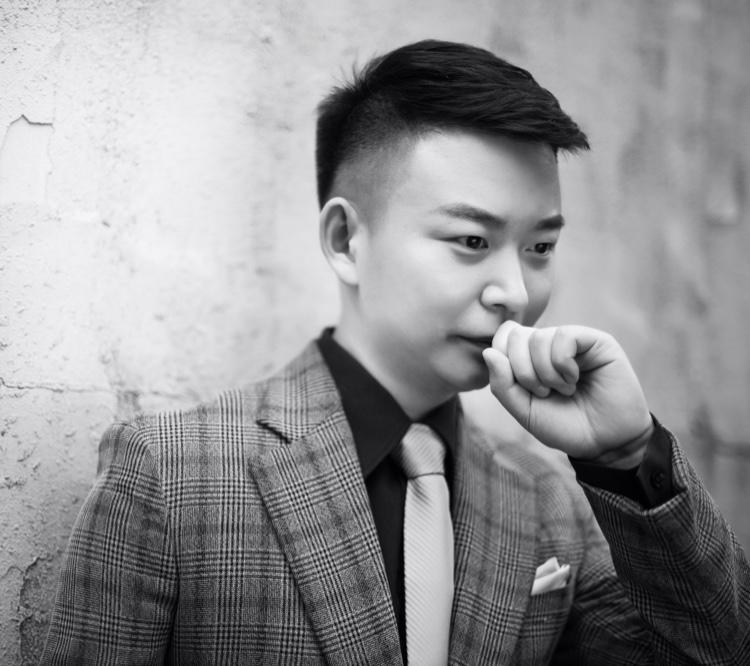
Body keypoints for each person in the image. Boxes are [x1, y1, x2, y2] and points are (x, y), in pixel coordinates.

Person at [41, 39, 749, 665]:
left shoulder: (546, 499)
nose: (514, 291)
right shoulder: (173, 473)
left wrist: (628, 457)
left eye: (540, 247)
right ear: (346, 240)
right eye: (471, 241)